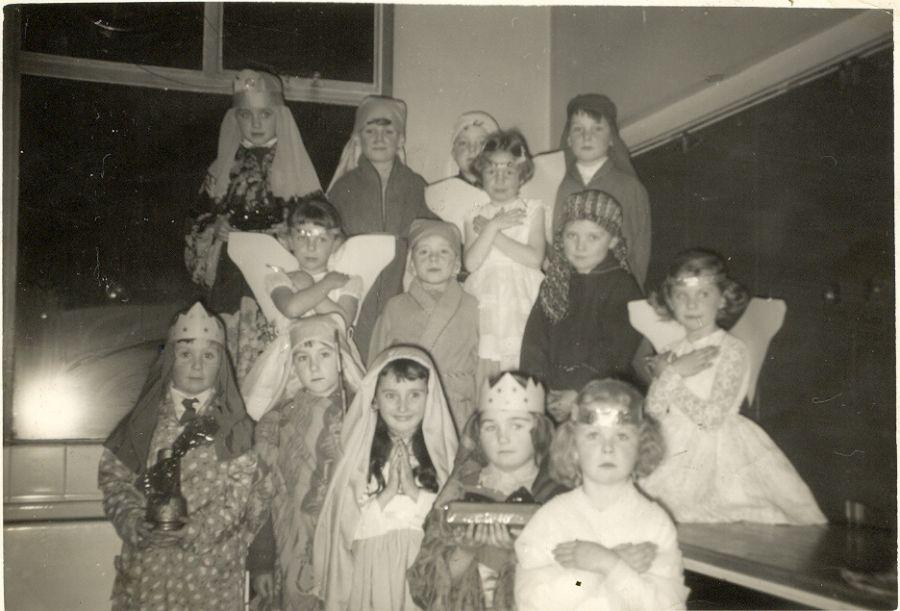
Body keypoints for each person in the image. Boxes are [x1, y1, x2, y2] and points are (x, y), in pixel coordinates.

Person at [638, 249, 827, 524]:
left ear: (722, 298)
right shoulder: (671, 351)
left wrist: (672, 375)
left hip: (715, 453)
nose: (692, 305)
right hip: (669, 445)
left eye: (703, 294)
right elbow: (653, 412)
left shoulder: (730, 350)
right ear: (670, 300)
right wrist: (670, 372)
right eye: (682, 296)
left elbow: (711, 419)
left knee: (692, 513)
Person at [99, 303, 262, 610]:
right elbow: (114, 482)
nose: (197, 366)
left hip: (210, 572)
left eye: (209, 356)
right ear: (170, 359)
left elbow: (241, 494)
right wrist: (134, 522)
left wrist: (197, 528)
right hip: (149, 570)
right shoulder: (141, 422)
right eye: (186, 354)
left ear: (222, 364)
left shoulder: (236, 428)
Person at [185, 69, 321, 381]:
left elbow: (320, 230)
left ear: (280, 118)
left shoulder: (298, 167)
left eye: (265, 114)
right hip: (231, 286)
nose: (256, 124)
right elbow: (196, 227)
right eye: (246, 115)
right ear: (236, 119)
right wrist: (214, 231)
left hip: (280, 282)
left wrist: (289, 238)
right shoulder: (220, 171)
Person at [515, 379, 689, 611]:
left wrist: (611, 565)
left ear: (641, 446)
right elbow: (535, 602)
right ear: (574, 449)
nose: (608, 448)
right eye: (593, 435)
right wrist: (592, 574)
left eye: (622, 436)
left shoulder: (655, 524)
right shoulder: (551, 519)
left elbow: (666, 606)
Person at [313, 346, 458, 611]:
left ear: (430, 397)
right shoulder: (358, 458)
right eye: (391, 395)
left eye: (414, 395)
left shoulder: (444, 460)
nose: (403, 406)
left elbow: (453, 528)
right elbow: (345, 528)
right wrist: (387, 494)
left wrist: (415, 494)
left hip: (423, 574)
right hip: (371, 571)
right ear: (374, 398)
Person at [408, 372, 567, 610]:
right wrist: (465, 550)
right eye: (490, 427)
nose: (503, 437)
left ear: (540, 429)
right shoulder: (458, 492)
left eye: (517, 425)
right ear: (478, 433)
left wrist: (521, 555)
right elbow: (422, 589)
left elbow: (578, 584)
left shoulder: (560, 496)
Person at [247, 314, 365, 610]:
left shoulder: (362, 418)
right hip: (289, 545)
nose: (313, 366)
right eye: (303, 357)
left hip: (346, 545)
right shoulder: (275, 422)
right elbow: (262, 494)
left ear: (340, 360)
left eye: (324, 354)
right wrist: (261, 560)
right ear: (293, 366)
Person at [327, 95, 435, 362]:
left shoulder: (417, 186)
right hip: (356, 293)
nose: (379, 139)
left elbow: (431, 235)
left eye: (388, 132)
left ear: (400, 140)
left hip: (400, 290)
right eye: (370, 131)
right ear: (358, 139)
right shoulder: (343, 188)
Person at [521, 190, 642, 422]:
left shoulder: (622, 285)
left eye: (593, 237)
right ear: (560, 238)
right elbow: (534, 341)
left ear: (613, 240)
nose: (580, 246)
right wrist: (539, 389)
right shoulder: (554, 281)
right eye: (572, 235)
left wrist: (579, 390)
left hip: (600, 394)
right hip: (551, 395)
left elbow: (616, 348)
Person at [527, 94, 650, 287]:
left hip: (614, 293)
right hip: (569, 294)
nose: (587, 136)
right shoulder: (557, 186)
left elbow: (639, 253)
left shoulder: (629, 187)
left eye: (597, 128)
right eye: (578, 129)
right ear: (568, 139)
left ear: (611, 138)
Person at [369, 219, 479, 432]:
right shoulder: (395, 307)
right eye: (424, 252)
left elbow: (484, 366)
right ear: (411, 264)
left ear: (457, 264)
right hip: (407, 407)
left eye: (444, 252)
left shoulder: (473, 306)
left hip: (459, 408)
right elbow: (377, 362)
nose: (433, 258)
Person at [463, 129, 545, 382]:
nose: (499, 179)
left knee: (523, 361)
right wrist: (492, 225)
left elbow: (534, 259)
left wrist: (495, 232)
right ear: (481, 177)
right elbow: (471, 263)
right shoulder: (473, 215)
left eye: (508, 172)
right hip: (487, 300)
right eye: (491, 172)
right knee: (489, 366)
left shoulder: (533, 210)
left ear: (521, 176)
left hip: (522, 297)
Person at [267, 194, 361, 327]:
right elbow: (292, 309)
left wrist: (309, 285)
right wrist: (324, 285)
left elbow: (342, 322)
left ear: (335, 244)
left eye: (321, 239)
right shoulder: (281, 279)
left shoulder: (346, 282)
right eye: (302, 238)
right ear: (290, 241)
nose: (311, 247)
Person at [426, 111, 500, 237]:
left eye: (482, 143)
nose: (472, 149)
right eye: (463, 143)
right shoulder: (438, 196)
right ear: (454, 153)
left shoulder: (508, 191)